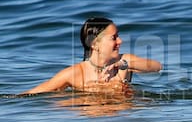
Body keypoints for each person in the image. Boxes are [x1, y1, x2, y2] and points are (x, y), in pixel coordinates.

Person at [22, 17, 162, 95]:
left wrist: (123, 64)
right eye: (114, 37)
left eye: (118, 36)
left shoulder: (124, 61)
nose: (120, 41)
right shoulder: (74, 73)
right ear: (95, 44)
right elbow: (36, 93)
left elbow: (156, 67)